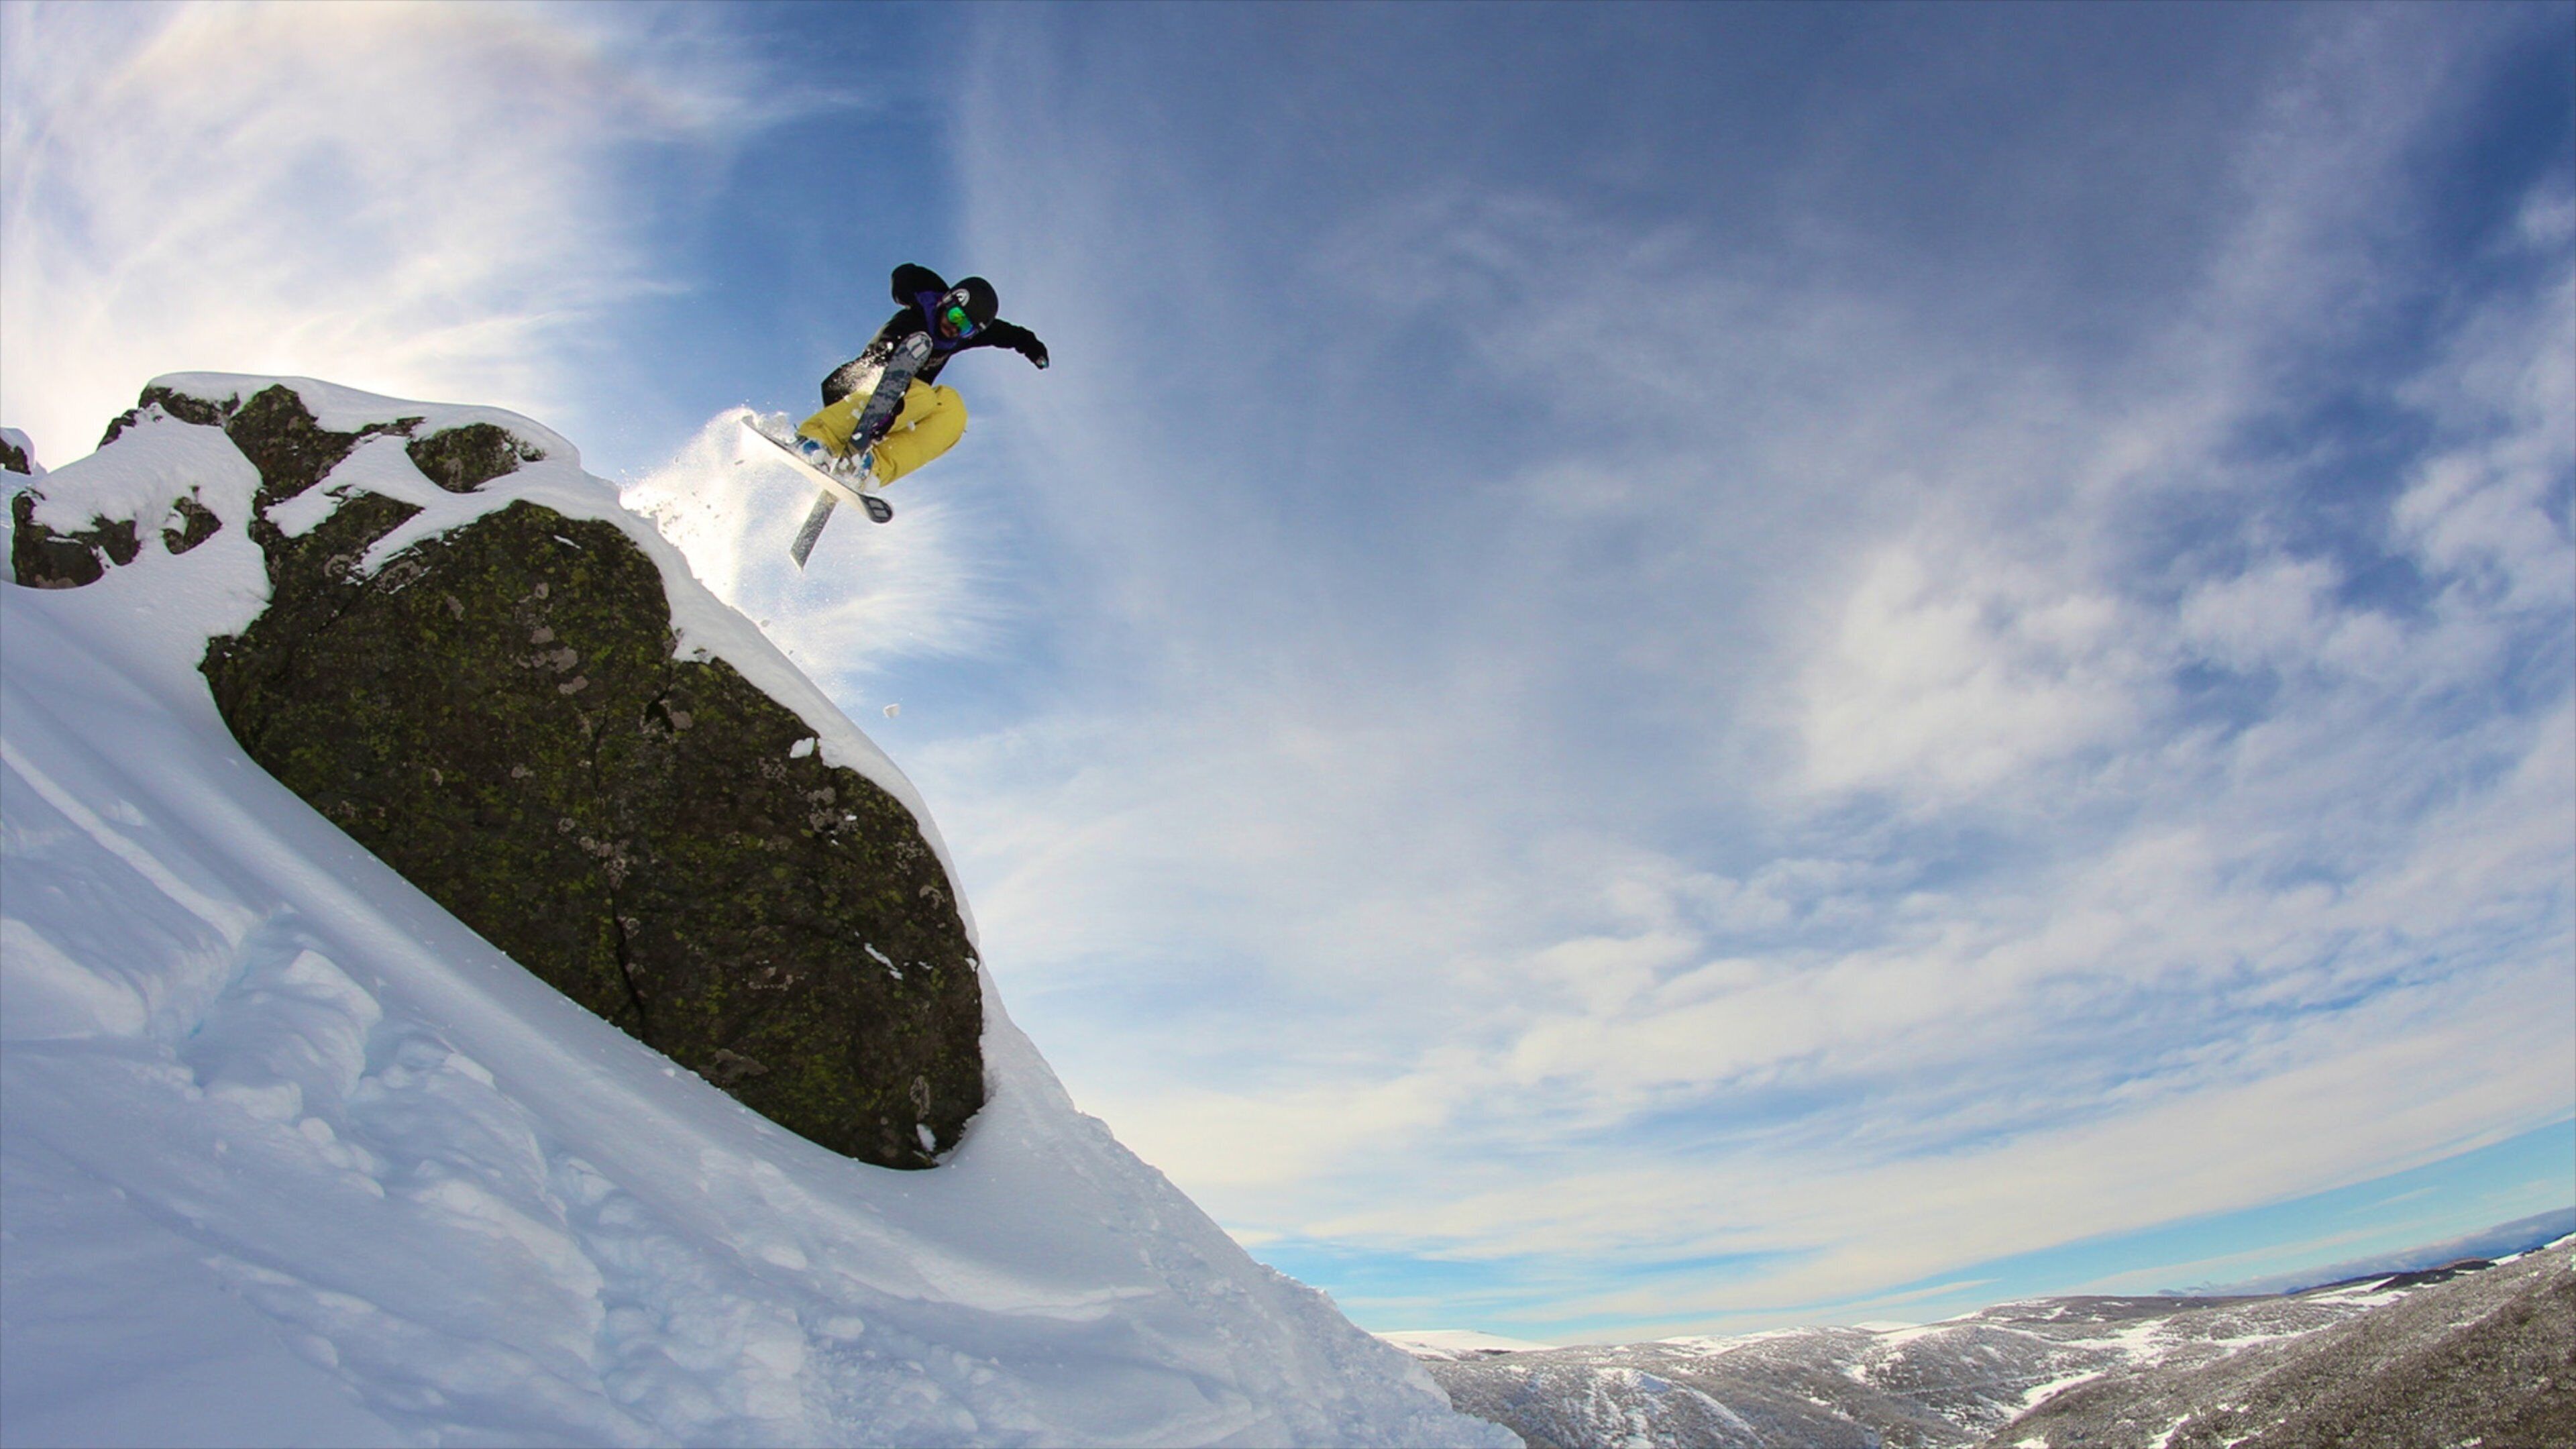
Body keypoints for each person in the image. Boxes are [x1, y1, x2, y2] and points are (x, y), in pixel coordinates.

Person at [794, 263, 1049, 487]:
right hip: (858, 390)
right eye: (955, 315)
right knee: (924, 395)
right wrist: (888, 402)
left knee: (952, 409)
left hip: (898, 415)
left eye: (965, 327)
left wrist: (1033, 349)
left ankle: (870, 469)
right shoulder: (916, 315)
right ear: (946, 302)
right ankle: (816, 438)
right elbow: (883, 353)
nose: (954, 326)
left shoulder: (956, 337)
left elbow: (1009, 334)